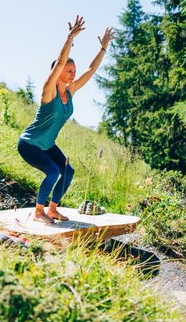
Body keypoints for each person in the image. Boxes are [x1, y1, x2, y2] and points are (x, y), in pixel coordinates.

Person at [17, 16, 115, 224]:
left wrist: (103, 49)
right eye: (69, 71)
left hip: (47, 145)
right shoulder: (49, 90)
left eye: (74, 71)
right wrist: (70, 38)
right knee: (52, 172)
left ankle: (53, 210)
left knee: (67, 171)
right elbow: (61, 61)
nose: (73, 74)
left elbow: (90, 70)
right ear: (58, 71)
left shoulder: (70, 92)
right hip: (29, 144)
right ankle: (38, 212)